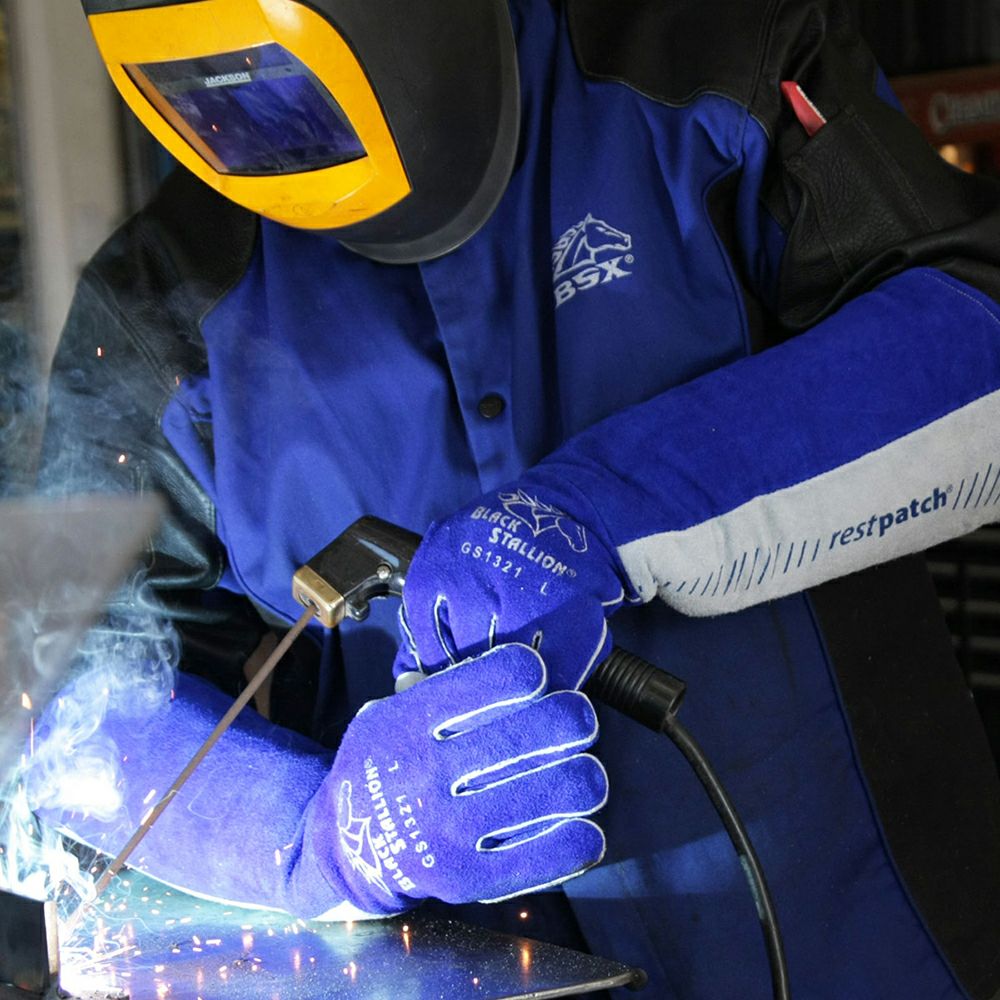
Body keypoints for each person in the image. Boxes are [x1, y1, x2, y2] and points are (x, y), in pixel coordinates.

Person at [31, 0, 1000, 996]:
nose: (262, 130)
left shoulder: (706, 62)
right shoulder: (161, 306)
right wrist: (312, 839)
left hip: (870, 925)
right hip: (471, 968)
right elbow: (59, 693)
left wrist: (607, 506)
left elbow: (979, 322)